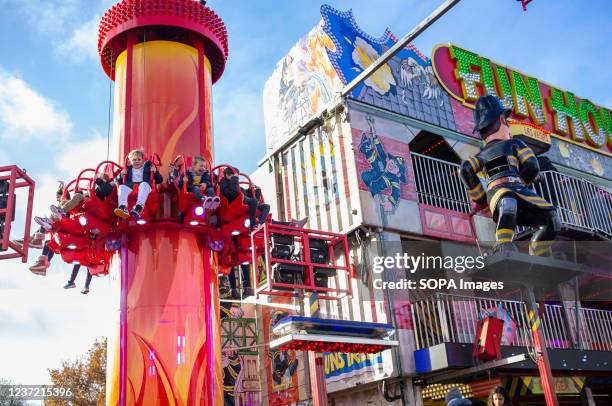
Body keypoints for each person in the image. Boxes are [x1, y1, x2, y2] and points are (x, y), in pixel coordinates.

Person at [460, 95, 560, 256]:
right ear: (502, 119)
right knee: (546, 218)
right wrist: (523, 181)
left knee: (548, 216)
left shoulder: (481, 156)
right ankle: (504, 244)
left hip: (501, 192)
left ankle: (535, 254)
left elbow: (465, 170)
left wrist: (481, 200)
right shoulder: (516, 144)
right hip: (506, 190)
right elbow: (532, 165)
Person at [114, 149, 163, 220]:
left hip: (144, 186)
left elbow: (160, 180)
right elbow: (116, 180)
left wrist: (155, 172)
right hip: (131, 186)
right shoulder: (128, 169)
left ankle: (139, 208)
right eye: (134, 160)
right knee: (122, 187)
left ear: (143, 160)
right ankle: (123, 207)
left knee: (143, 184)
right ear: (130, 161)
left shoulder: (148, 168)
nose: (137, 161)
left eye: (139, 159)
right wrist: (121, 174)